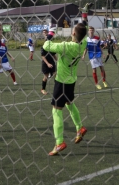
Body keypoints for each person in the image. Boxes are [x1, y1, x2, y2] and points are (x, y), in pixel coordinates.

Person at [43, 19, 88, 156]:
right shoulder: (83, 43)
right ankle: (79, 128)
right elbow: (83, 31)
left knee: (56, 111)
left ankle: (59, 142)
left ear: (73, 32)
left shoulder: (65, 46)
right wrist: (84, 15)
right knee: (69, 104)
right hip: (71, 81)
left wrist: (51, 32)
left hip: (61, 82)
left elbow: (46, 45)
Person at [41, 29, 57, 95]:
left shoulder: (51, 46)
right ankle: (43, 89)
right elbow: (42, 56)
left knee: (56, 75)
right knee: (46, 76)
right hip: (45, 63)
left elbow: (53, 55)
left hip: (52, 62)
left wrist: (58, 61)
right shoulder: (43, 47)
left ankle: (57, 89)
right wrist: (47, 64)